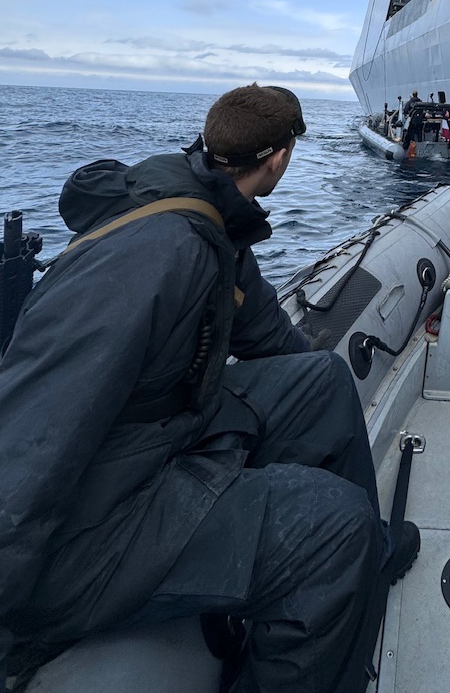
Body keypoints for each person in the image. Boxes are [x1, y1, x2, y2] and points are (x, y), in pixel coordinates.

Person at [0, 83, 418, 692]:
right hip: (86, 534)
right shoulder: (158, 253)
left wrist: (301, 384)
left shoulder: (206, 212)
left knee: (321, 378)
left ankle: (364, 560)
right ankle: (340, 560)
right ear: (279, 159)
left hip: (148, 442)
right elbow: (32, 436)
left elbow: (268, 335)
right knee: (338, 529)